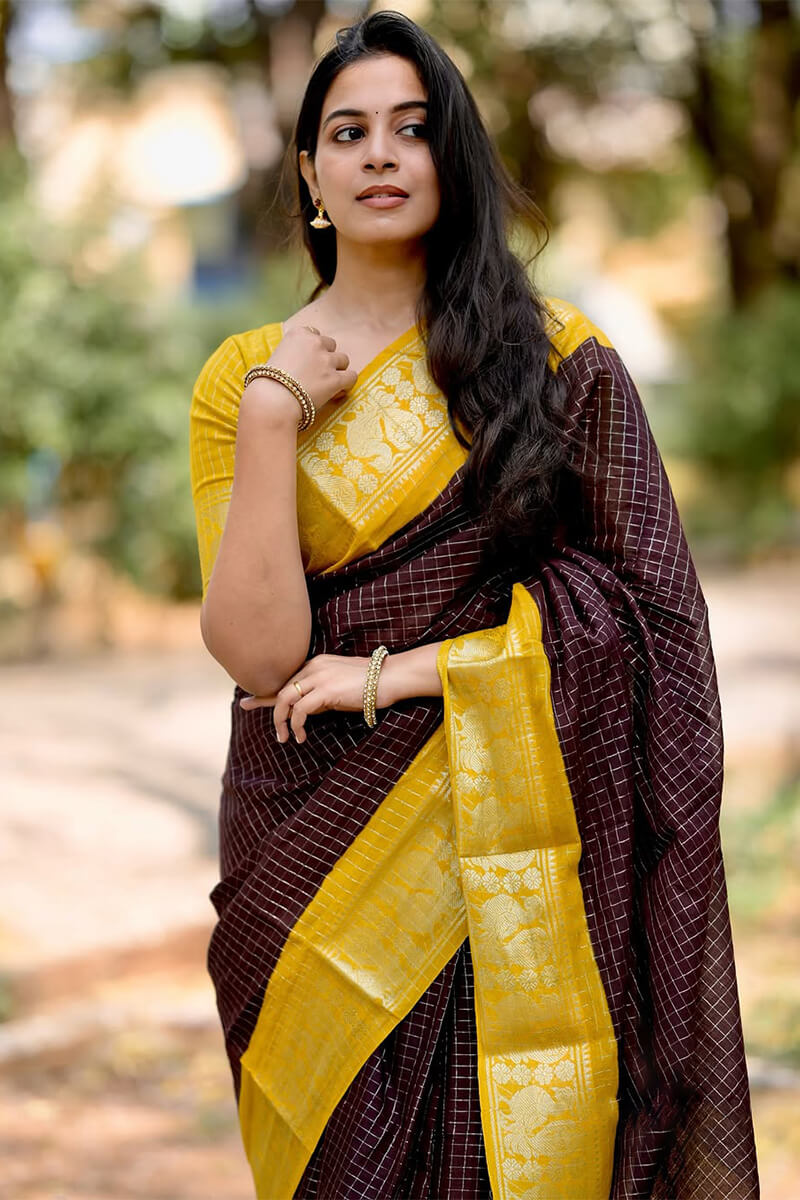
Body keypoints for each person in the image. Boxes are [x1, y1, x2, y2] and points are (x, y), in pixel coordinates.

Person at [189, 10, 759, 1199]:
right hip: (309, 842)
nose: (381, 154)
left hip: (518, 842)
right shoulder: (245, 376)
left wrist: (406, 673)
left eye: (411, 128)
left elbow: (648, 624)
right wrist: (273, 409)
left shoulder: (555, 359)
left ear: (450, 154)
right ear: (309, 173)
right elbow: (257, 657)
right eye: (347, 132)